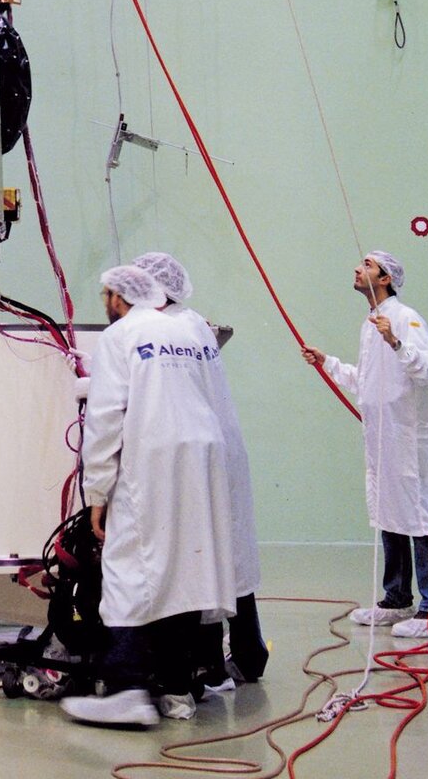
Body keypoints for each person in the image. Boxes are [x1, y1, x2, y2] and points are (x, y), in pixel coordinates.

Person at [60, 265, 237, 731]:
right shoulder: (193, 328)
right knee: (187, 572)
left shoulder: (122, 336)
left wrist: (96, 492)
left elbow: (104, 419)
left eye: (106, 295)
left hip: (152, 460)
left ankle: (125, 690)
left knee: (127, 572)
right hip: (205, 457)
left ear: (120, 297)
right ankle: (178, 691)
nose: (106, 302)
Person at [302, 250, 428, 640]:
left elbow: (427, 369)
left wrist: (394, 340)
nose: (357, 268)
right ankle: (396, 598)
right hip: (384, 441)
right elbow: (368, 382)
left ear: (386, 278)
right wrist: (329, 363)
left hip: (409, 439)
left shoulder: (404, 317)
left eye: (367, 265)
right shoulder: (369, 323)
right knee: (390, 515)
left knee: (420, 520)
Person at [134, 251, 266, 689]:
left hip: (199, 458)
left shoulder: (163, 330)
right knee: (228, 559)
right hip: (222, 451)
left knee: (202, 562)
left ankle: (209, 664)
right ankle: (247, 655)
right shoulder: (195, 325)